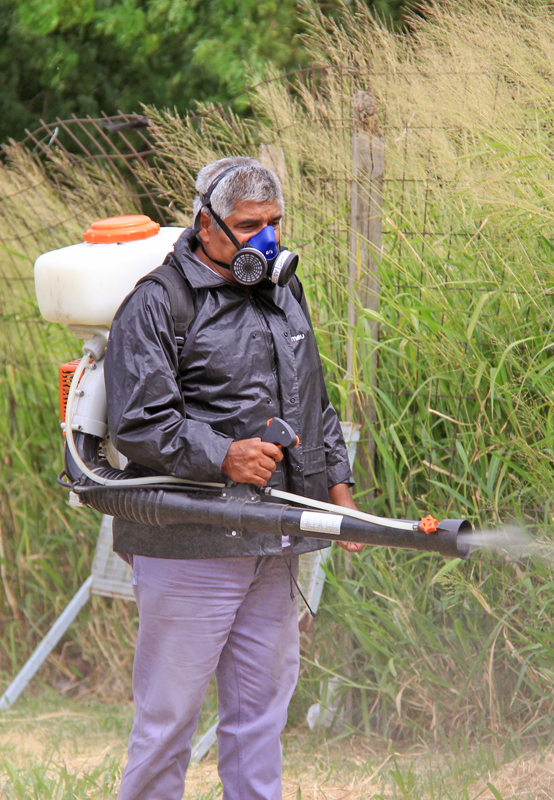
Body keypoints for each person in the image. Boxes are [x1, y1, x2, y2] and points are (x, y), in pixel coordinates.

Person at [104, 156, 362, 800]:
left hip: (270, 538)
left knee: (259, 720)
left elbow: (313, 400)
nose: (266, 239)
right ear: (206, 223)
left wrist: (339, 490)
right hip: (190, 540)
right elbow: (137, 423)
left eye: (275, 222)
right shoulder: (159, 302)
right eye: (249, 225)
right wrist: (222, 455)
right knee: (168, 725)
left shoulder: (283, 289)